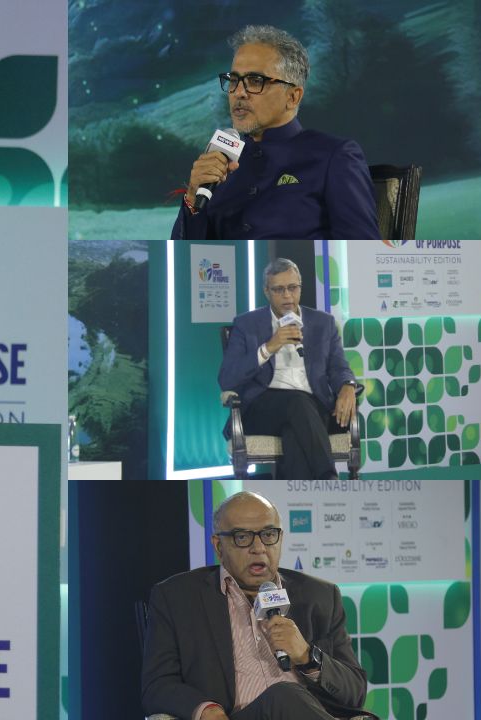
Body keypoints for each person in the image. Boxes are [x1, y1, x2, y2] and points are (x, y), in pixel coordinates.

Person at [141, 492, 374, 720]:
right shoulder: (177, 597)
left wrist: (306, 655)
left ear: (280, 539)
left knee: (287, 696)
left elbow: (354, 693)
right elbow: (157, 685)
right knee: (284, 694)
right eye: (242, 537)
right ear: (218, 546)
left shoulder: (319, 596)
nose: (259, 548)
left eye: (269, 534)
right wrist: (205, 709)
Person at [172, 25, 381, 240]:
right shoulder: (220, 164)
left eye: (255, 81)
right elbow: (183, 260)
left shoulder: (333, 156)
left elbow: (361, 255)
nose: (239, 93)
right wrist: (192, 196)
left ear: (293, 97)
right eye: (234, 80)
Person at [218, 258, 357, 480]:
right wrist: (269, 347)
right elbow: (227, 378)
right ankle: (329, 479)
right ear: (266, 291)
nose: (287, 296)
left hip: (312, 409)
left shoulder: (323, 323)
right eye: (279, 289)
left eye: (292, 288)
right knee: (297, 402)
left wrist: (348, 385)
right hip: (263, 408)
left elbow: (339, 366)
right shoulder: (246, 324)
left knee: (294, 434)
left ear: (300, 287)